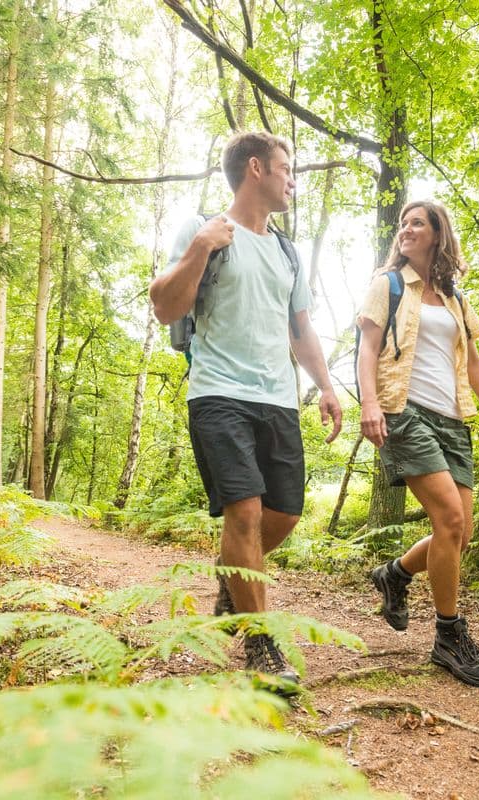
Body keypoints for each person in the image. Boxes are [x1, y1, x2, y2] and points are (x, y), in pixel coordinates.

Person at [150, 132, 342, 686]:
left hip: (277, 399)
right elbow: (165, 307)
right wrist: (200, 248)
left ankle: (230, 583)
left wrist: (326, 386)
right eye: (287, 168)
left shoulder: (287, 251)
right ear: (256, 169)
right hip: (217, 392)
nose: (292, 180)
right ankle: (261, 647)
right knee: (246, 514)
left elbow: (300, 328)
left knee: (284, 514)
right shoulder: (204, 229)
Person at [356, 200, 479, 690]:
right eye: (403, 223)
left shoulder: (455, 299)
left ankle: (395, 574)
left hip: (452, 421)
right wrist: (370, 405)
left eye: (417, 223)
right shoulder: (389, 284)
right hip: (404, 412)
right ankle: (449, 636)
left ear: (438, 233)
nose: (406, 229)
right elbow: (367, 348)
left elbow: (474, 364)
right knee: (448, 519)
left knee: (460, 534)